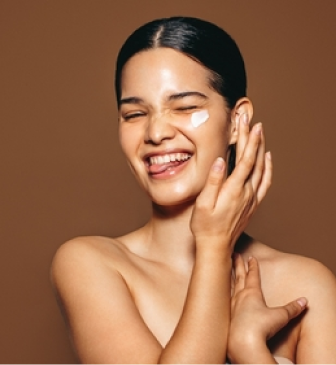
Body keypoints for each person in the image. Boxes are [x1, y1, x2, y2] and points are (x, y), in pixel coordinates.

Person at [51, 16, 336, 365]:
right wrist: (214, 249)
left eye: (185, 107)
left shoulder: (307, 285)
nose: (155, 132)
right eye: (134, 114)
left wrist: (249, 350)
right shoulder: (90, 265)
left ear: (237, 121)